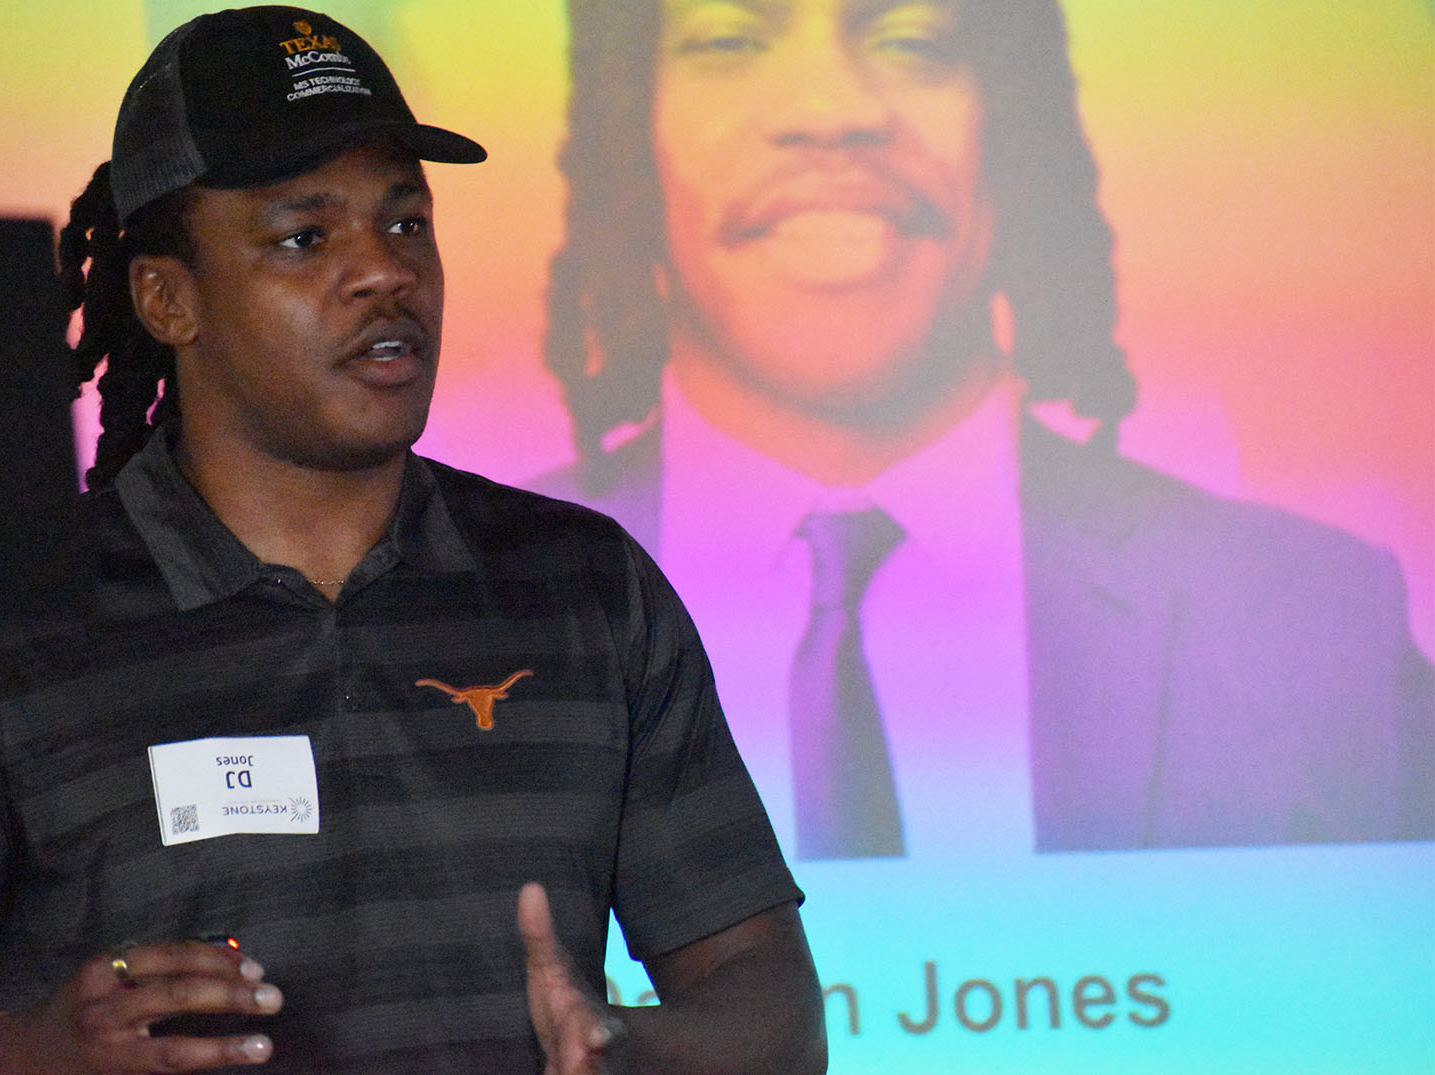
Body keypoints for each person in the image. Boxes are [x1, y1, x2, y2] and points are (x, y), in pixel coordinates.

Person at [0, 7, 827, 1074]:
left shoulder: (586, 585)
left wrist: (629, 1048)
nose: (383, 272)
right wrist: (23, 1054)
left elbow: (769, 1003)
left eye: (407, 223)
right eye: (305, 238)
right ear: (167, 299)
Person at [536, 0, 1434, 855]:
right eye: (730, 41)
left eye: (913, 39)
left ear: (1013, 123)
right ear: (629, 129)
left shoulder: (1318, 617)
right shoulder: (476, 598)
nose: (832, 110)